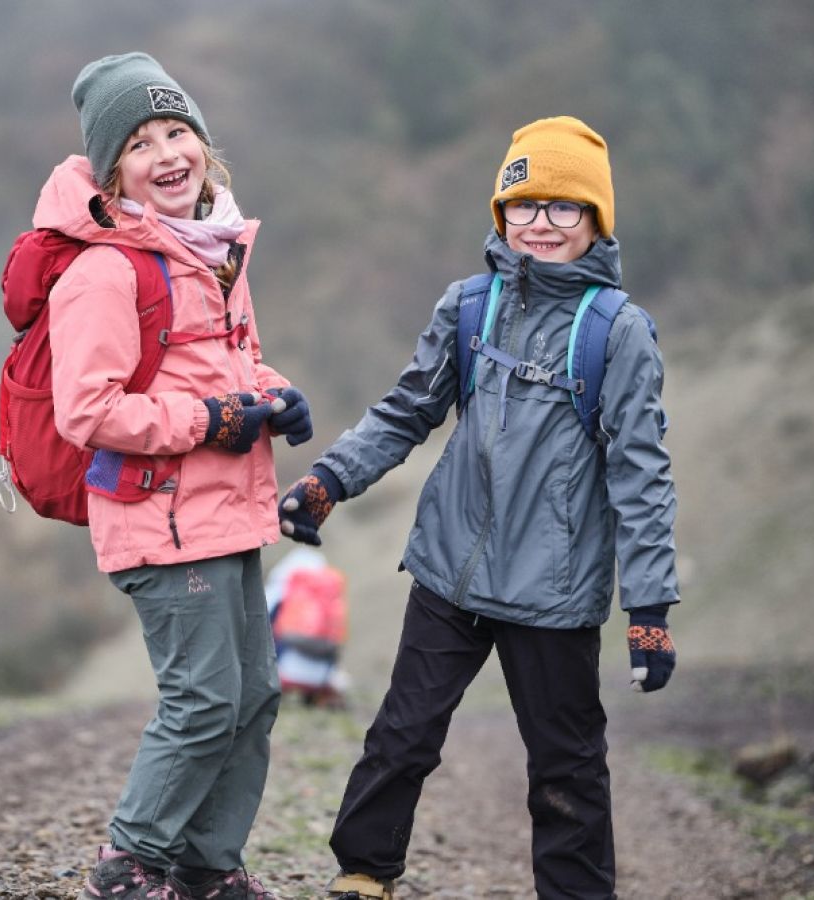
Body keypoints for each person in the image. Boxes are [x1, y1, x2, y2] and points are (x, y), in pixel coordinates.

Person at [277, 116, 680, 900]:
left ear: (597, 219)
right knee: (402, 734)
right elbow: (406, 412)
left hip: (553, 594)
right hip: (450, 571)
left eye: (565, 207)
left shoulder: (618, 334)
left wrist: (650, 608)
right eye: (524, 204)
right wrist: (328, 481)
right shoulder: (469, 307)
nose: (542, 223)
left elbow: (643, 476)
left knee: (565, 769)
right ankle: (363, 873)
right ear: (501, 214)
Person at [38, 52, 313, 900]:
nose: (167, 152)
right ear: (113, 171)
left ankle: (207, 867)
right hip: (158, 522)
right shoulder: (104, 270)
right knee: (201, 701)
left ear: (204, 145)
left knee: (255, 697)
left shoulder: (218, 251)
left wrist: (273, 396)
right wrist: (207, 423)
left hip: (226, 511)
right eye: (141, 141)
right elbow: (84, 410)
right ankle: (129, 863)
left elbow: (238, 363)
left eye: (178, 130)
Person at [264, 547, 350, 708]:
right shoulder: (330, 597)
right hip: (322, 677)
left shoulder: (282, 590)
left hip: (284, 673)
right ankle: (317, 695)